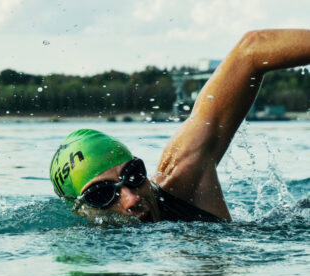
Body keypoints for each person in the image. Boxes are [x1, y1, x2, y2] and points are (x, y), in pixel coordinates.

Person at [50, 29, 310, 223]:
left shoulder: (182, 179)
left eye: (134, 175)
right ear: (81, 211)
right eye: (101, 195)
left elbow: (250, 51)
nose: (131, 199)